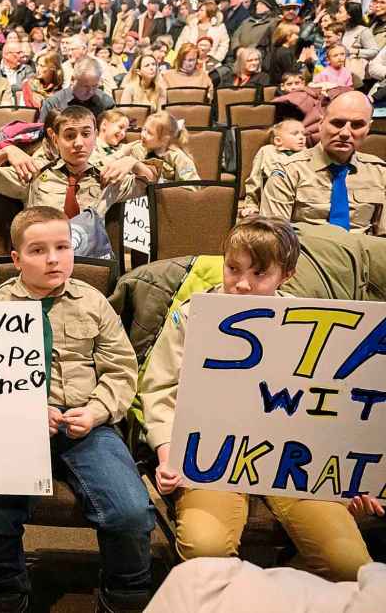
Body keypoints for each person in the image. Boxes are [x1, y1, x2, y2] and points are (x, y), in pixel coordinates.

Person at [141, 217, 376, 582]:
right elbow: (159, 390)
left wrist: (350, 475)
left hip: (296, 462)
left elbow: (339, 404)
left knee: (349, 564)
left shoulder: (317, 324)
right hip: (213, 457)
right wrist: (167, 449)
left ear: (287, 275)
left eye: (259, 274)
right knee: (206, 551)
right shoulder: (193, 314)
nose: (242, 284)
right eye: (233, 269)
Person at [0, 206, 155, 613]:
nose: (53, 258)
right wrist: (23, 411)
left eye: (62, 247)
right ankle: (5, 593)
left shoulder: (93, 302)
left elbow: (122, 371)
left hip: (87, 425)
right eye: (38, 250)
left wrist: (95, 411)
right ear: (16, 258)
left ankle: (125, 596)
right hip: (15, 427)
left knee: (129, 511)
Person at [0, 106, 149, 213]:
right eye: (69, 136)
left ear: (95, 135)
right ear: (55, 138)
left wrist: (134, 163)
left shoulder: (108, 177)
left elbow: (152, 185)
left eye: (86, 134)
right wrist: (5, 152)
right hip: (43, 259)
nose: (78, 143)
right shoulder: (33, 173)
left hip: (90, 263)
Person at [261, 90, 386, 235]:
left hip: (363, 254)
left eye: (357, 125)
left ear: (368, 129)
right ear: (321, 124)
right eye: (337, 123)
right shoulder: (289, 171)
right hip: (306, 254)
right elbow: (274, 239)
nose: (345, 133)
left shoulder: (380, 173)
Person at [110, 111, 200, 184]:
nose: (143, 135)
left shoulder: (179, 158)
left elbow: (192, 187)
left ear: (164, 140)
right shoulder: (137, 148)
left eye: (149, 133)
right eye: (144, 129)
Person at [240, 119, 307, 216]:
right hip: (272, 206)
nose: (301, 137)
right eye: (295, 134)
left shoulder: (307, 153)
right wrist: (251, 204)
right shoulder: (267, 152)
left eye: (303, 134)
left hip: (299, 209)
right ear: (278, 140)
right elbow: (255, 180)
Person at [38, 58, 115, 122]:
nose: (90, 91)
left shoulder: (105, 102)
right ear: (72, 80)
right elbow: (43, 135)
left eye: (94, 86)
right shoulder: (53, 103)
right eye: (85, 86)